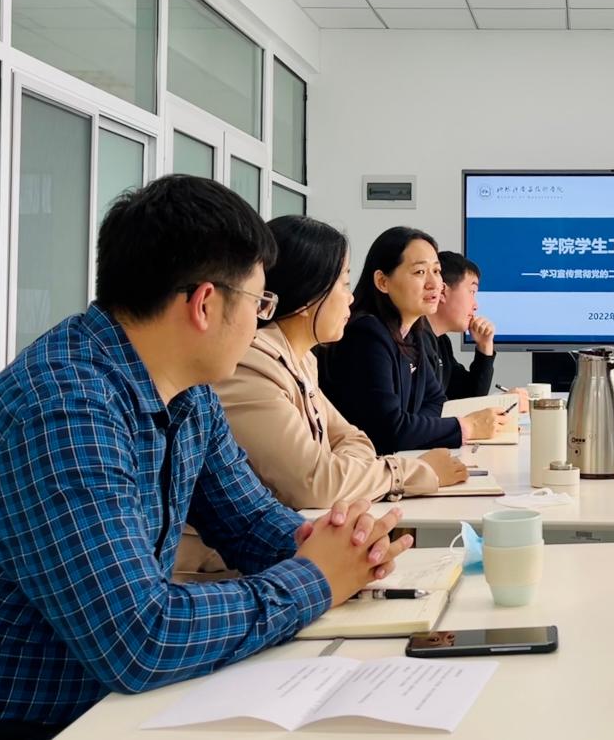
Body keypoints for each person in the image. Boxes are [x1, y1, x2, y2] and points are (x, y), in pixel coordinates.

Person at [0, 176, 410, 737]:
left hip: (113, 705)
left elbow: (248, 521)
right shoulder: (65, 411)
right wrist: (315, 578)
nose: (261, 322)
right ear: (205, 304)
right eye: (260, 303)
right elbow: (140, 639)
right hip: (27, 719)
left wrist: (339, 545)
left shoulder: (189, 391)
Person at [178, 217, 470, 578]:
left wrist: (339, 478)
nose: (350, 297)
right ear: (307, 295)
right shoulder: (250, 364)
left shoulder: (303, 360)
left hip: (277, 549)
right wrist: (408, 472)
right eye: (343, 283)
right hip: (218, 573)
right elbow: (318, 482)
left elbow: (354, 439)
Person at [321, 227, 500, 454]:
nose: (434, 283)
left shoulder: (414, 333)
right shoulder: (367, 334)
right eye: (419, 272)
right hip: (361, 468)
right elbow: (389, 431)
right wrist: (466, 427)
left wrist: (410, 425)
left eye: (436, 271)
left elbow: (436, 401)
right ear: (382, 281)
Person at [421, 251, 496, 400]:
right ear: (442, 291)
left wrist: (484, 346)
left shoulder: (441, 342)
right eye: (472, 292)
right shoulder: (413, 341)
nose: (475, 305)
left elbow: (470, 396)